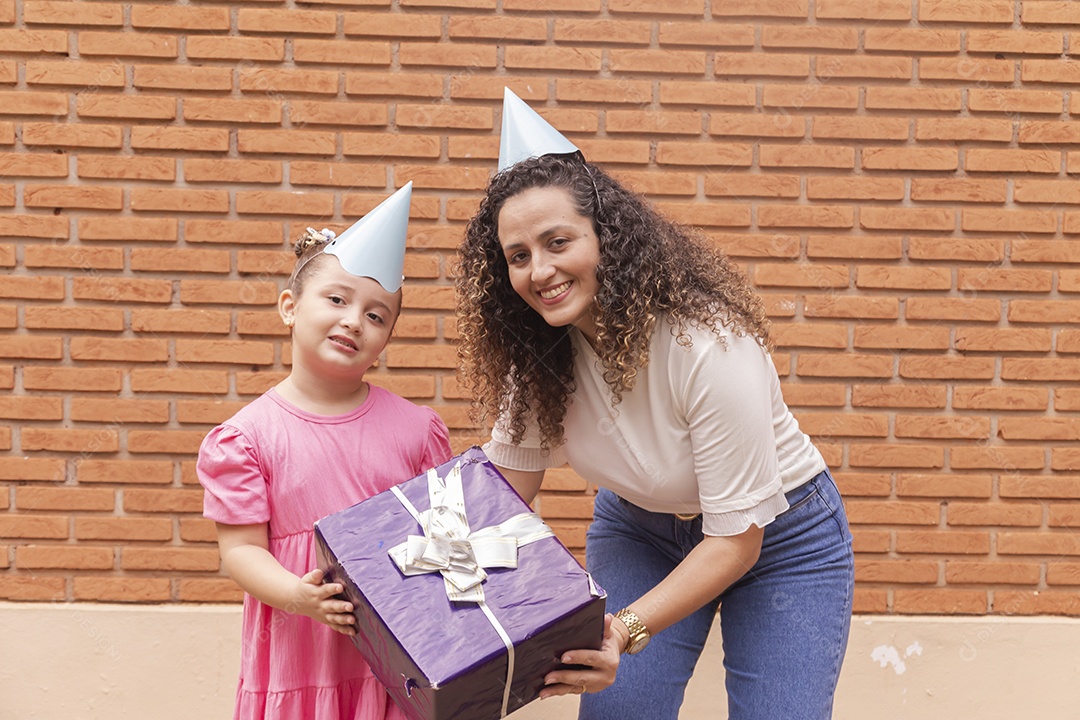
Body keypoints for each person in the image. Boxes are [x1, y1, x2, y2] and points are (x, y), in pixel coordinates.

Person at [455, 89, 854, 720]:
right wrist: (393, 575)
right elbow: (501, 497)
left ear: (606, 237)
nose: (540, 271)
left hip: (779, 538)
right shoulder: (538, 360)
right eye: (518, 256)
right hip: (641, 529)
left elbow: (735, 542)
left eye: (558, 242)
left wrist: (623, 629)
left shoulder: (709, 347)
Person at [198, 183, 453, 720]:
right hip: (302, 654)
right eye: (336, 299)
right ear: (290, 307)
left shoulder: (416, 429)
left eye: (377, 315)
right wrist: (298, 595)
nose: (354, 320)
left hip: (395, 653)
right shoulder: (245, 438)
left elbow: (445, 537)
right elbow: (240, 551)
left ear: (387, 338)